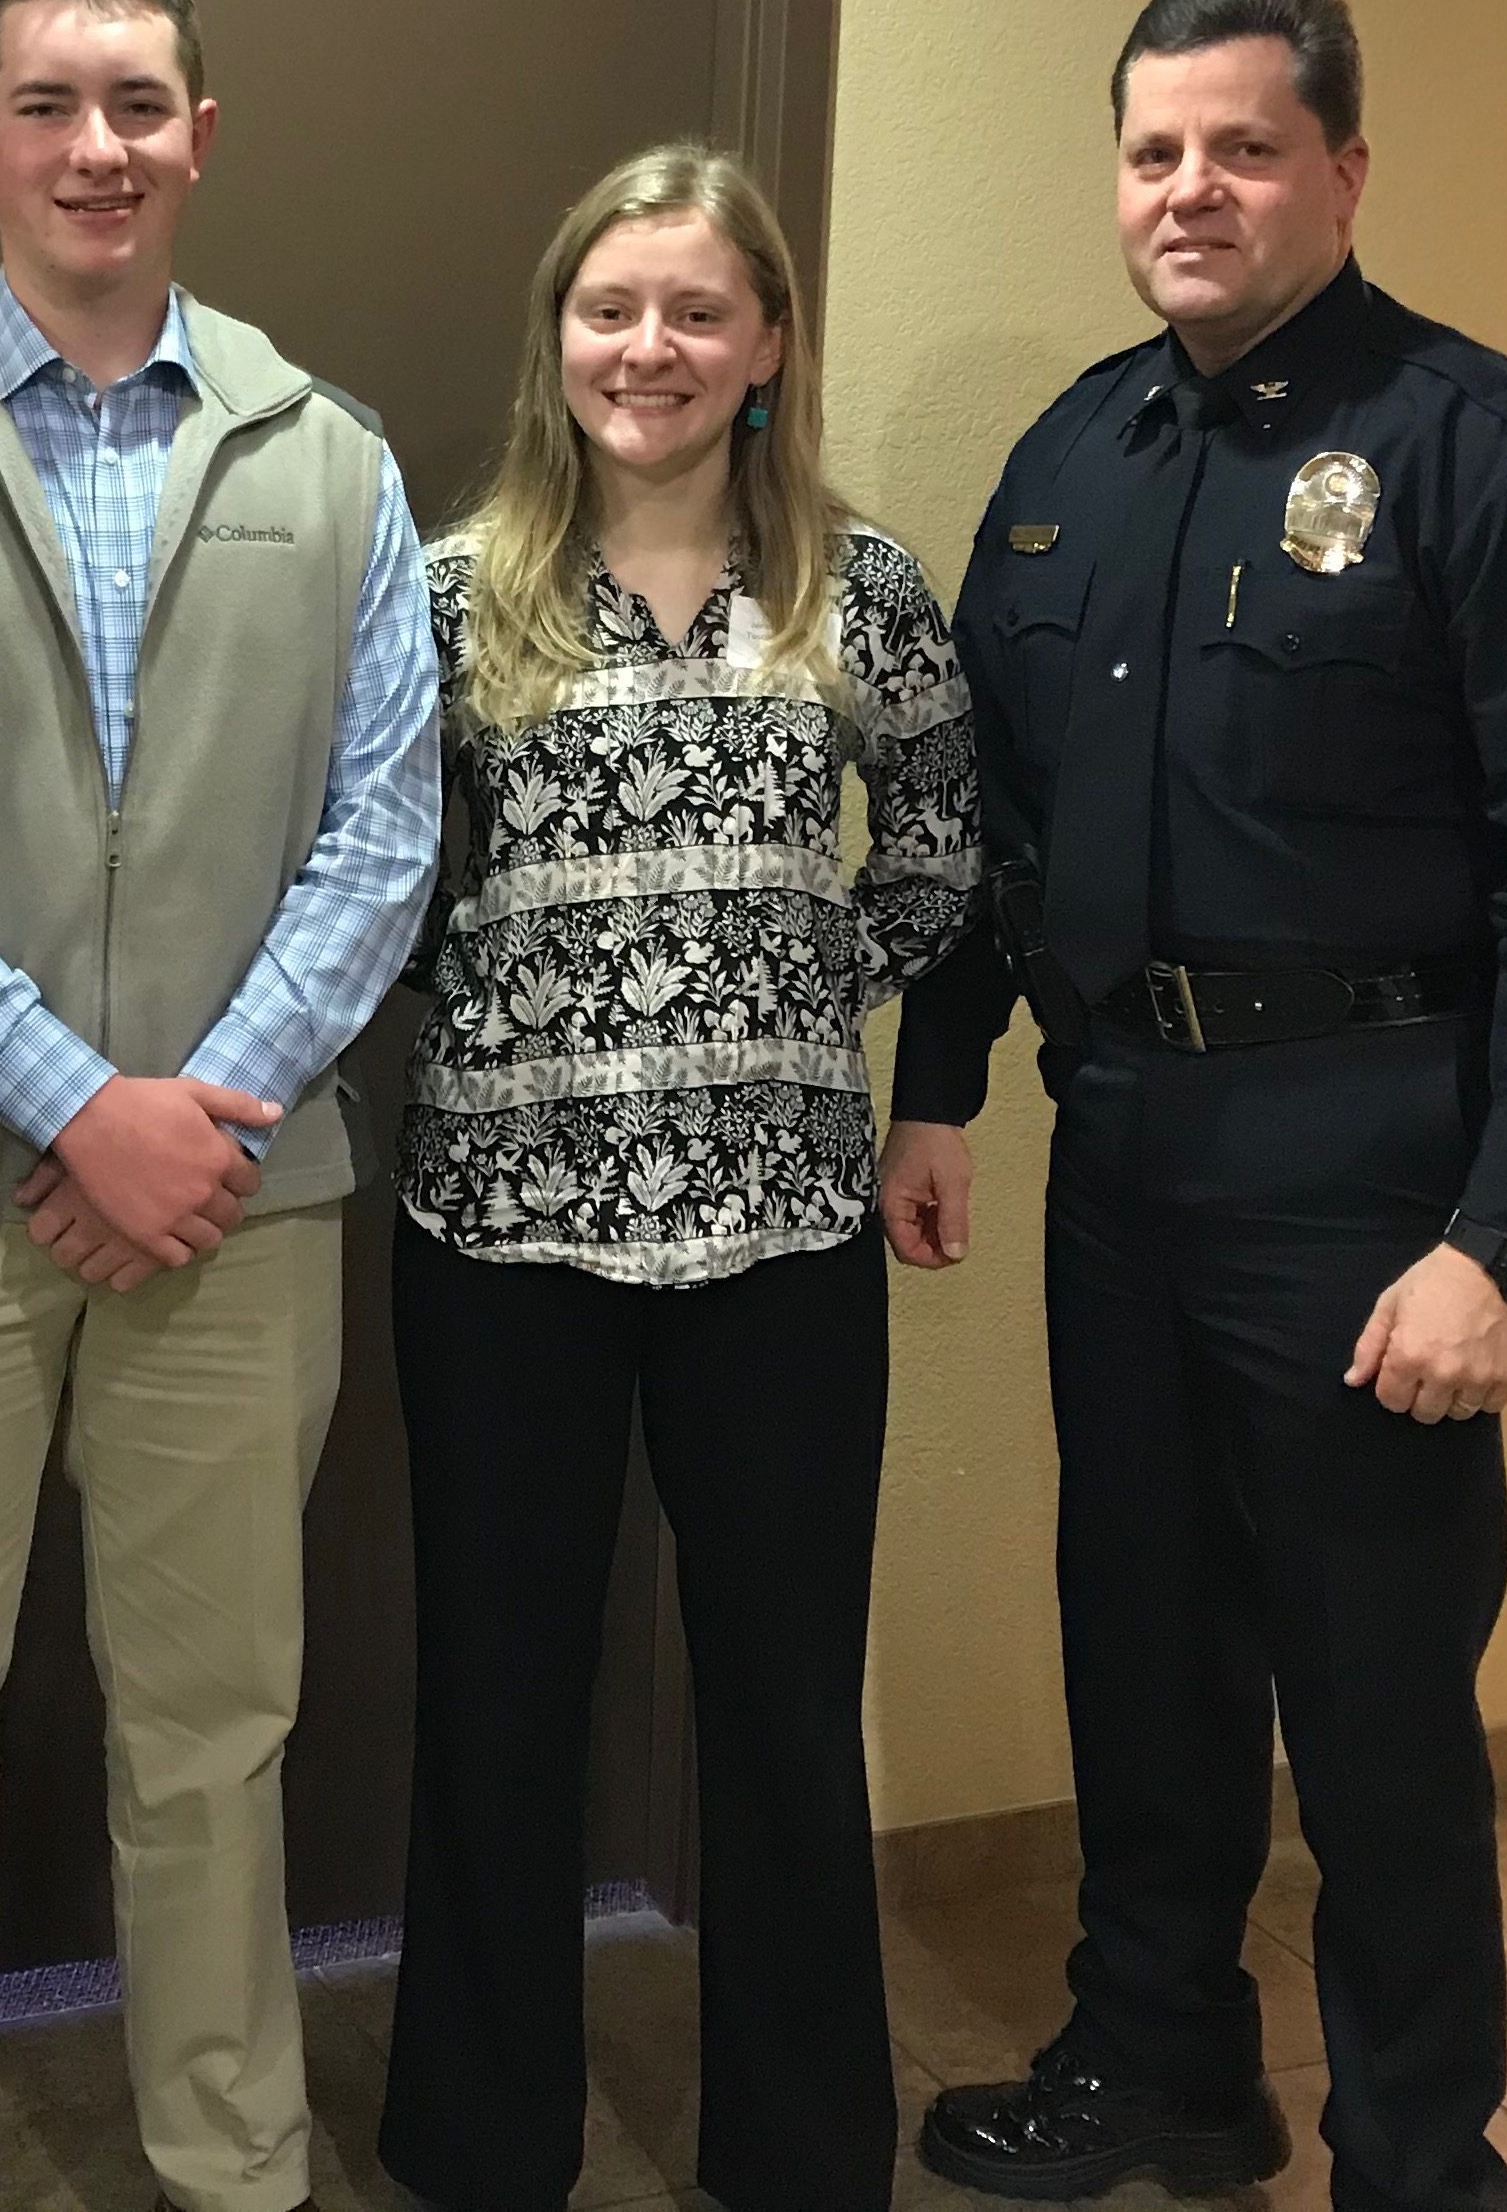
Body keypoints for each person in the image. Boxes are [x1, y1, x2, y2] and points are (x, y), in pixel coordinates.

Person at [892, 0, 1507, 2212]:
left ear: (1344, 170)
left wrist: (1502, 1242)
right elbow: (989, 825)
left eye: (1243, 149)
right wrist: (945, 1081)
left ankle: (1418, 2165)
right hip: (1123, 1144)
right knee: (1143, 1649)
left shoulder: (1500, 457)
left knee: (1377, 1716)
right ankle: (1163, 2062)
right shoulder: (1074, 455)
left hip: (1371, 1169)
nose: (1192, 191)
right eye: (1154, 151)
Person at [0, 0, 439, 2212]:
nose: (95, 147)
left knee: (214, 1754)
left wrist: (194, 1116)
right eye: (46, 104)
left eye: (137, 103)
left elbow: (383, 833)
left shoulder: (331, 460)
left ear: (201, 135)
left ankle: (234, 2173)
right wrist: (75, 1104)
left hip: (238, 1206)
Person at [379, 144, 979, 2212]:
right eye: (612, 308)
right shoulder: (448, 594)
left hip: (782, 1237)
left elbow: (948, 851)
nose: (651, 348)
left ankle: (802, 2149)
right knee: (498, 1702)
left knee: (787, 1713)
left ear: (768, 343)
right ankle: (481, 2143)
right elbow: (375, 884)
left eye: (698, 311)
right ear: (558, 337)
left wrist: (803, 997)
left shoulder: (856, 591)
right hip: (500, 1234)